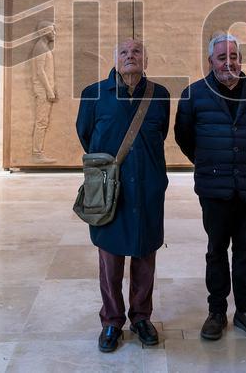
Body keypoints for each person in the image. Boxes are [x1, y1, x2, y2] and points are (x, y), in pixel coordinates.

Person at [174, 32, 246, 342]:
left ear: (240, 59)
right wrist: (210, 162)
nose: (229, 62)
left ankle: (245, 312)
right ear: (211, 61)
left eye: (234, 56)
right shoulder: (194, 95)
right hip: (214, 188)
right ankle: (216, 311)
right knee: (216, 251)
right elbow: (184, 137)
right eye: (222, 57)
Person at [76, 38, 170, 352]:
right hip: (108, 190)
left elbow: (162, 134)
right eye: (124, 52)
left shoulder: (160, 96)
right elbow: (85, 135)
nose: (130, 56)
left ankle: (141, 317)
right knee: (110, 259)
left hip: (147, 188)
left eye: (137, 51)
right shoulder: (93, 95)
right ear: (115, 59)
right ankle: (112, 321)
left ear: (146, 59)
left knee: (145, 256)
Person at [30, 20, 57, 163]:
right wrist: (49, 91)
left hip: (45, 91)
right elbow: (40, 72)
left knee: (43, 121)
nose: (54, 33)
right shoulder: (40, 47)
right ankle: (37, 154)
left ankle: (38, 152)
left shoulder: (43, 47)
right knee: (41, 122)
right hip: (42, 92)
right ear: (44, 32)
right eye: (52, 31)